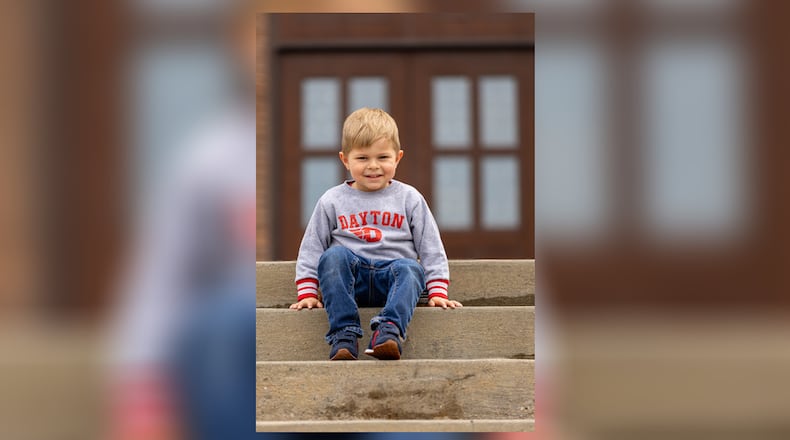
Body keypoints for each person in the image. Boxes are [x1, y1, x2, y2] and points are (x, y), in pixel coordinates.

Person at [289, 107, 463, 361]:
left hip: (393, 280)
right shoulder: (332, 200)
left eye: (383, 157)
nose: (373, 166)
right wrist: (307, 291)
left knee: (411, 268)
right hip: (350, 280)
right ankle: (344, 334)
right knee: (333, 256)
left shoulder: (409, 198)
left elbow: (430, 245)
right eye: (362, 158)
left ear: (398, 157)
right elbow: (312, 246)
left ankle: (388, 330)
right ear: (345, 159)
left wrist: (437, 291)